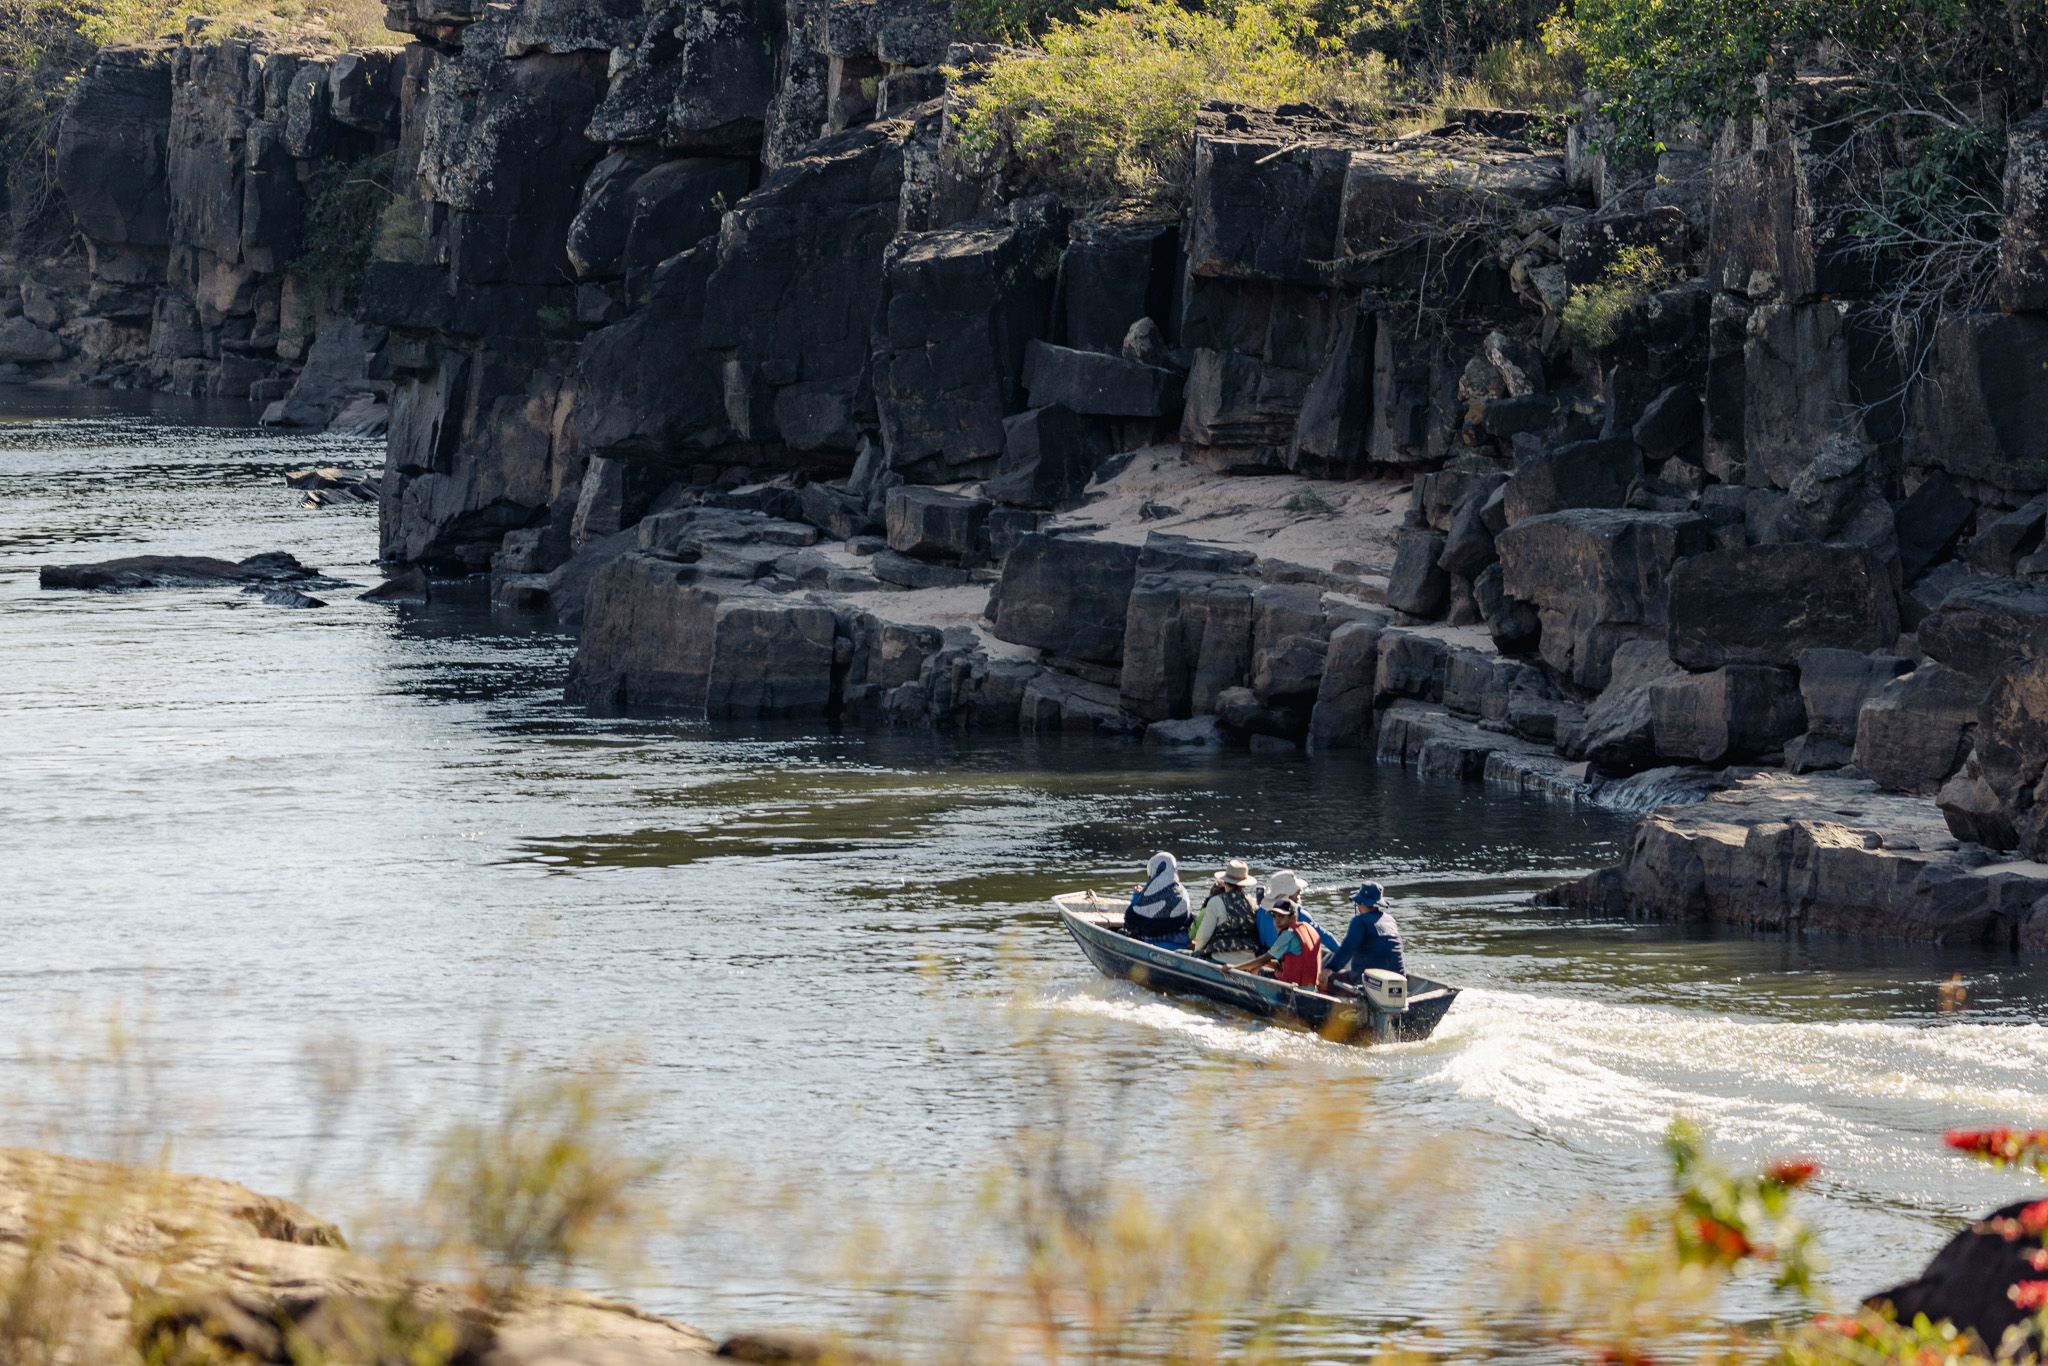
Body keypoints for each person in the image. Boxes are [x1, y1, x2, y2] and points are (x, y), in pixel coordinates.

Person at [1223, 896, 1323, 988]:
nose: (1277, 921)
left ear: (1293, 917)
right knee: (1264, 965)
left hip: (1293, 985)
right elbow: (1290, 962)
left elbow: (1265, 959)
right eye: (1274, 917)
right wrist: (1266, 963)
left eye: (1281, 917)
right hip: (1309, 985)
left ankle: (1256, 996)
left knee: (1256, 969)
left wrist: (1235, 967)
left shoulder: (1288, 934)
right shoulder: (1308, 930)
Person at [1321, 882, 1405, 990]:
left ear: (1360, 903)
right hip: (1399, 977)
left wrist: (1330, 968)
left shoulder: (1360, 921)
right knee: (1344, 973)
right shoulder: (1390, 919)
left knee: (1325, 980)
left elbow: (1348, 948)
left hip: (1368, 981)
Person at [1191, 860, 1262, 955]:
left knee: (1181, 952)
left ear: (1224, 882)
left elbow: (1203, 936)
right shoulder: (1253, 903)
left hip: (1221, 958)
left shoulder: (1215, 901)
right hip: (1249, 959)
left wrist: (1196, 951)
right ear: (1244, 885)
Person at [1124, 851, 1194, 946]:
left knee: (1123, 932)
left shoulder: (1150, 893)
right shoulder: (1183, 892)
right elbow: (1189, 919)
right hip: (1181, 942)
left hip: (1155, 942)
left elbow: (1130, 918)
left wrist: (1136, 896)